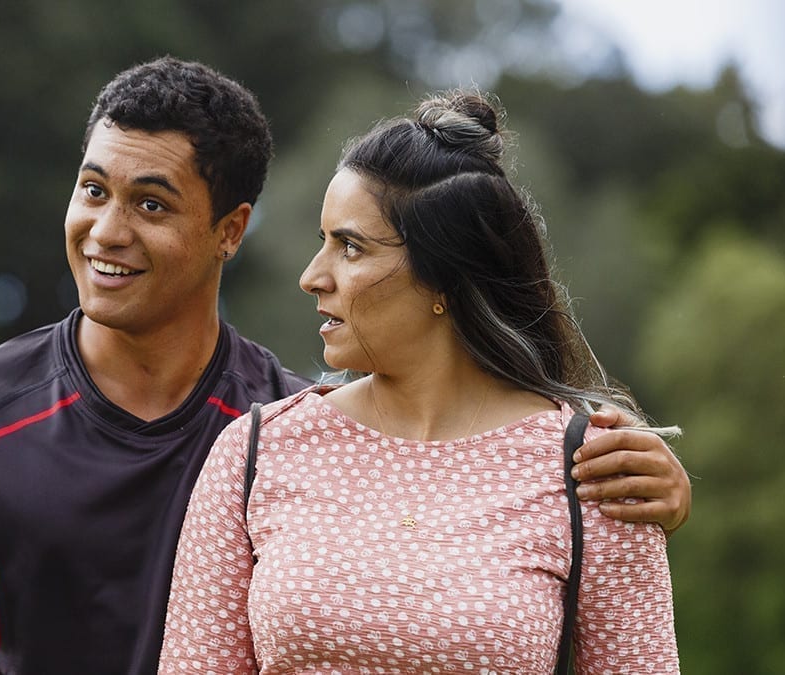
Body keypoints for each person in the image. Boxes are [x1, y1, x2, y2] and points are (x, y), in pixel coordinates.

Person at [0, 58, 688, 674]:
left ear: (230, 231)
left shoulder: (286, 433)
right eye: (93, 190)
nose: (106, 230)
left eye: (150, 204)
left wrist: (655, 494)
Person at [159, 90, 679, 673]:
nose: (312, 276)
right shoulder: (256, 452)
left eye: (350, 247)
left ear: (442, 276)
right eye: (322, 242)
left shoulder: (593, 467)